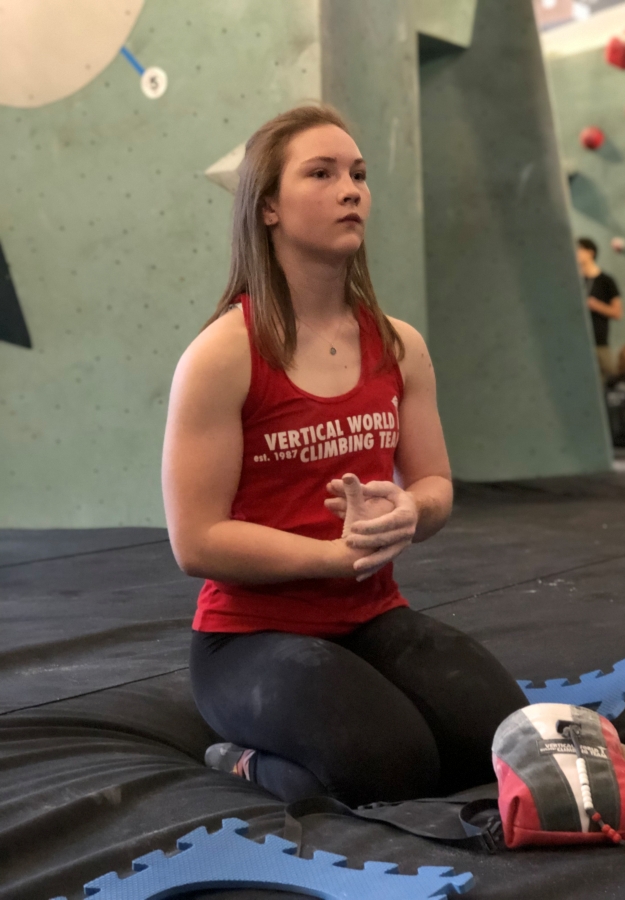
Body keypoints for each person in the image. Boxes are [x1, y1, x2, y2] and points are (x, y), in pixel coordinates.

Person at [162, 104, 525, 808]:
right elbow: (196, 541)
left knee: (500, 744)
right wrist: (330, 558)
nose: (351, 189)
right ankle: (241, 760)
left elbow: (434, 485)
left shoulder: (397, 345)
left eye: (357, 173)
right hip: (248, 638)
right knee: (389, 767)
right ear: (267, 207)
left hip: (368, 615)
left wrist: (410, 510)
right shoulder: (222, 354)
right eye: (321, 173)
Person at [576, 237, 623, 381]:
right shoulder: (574, 281)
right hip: (579, 344)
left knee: (610, 381)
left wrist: (596, 305)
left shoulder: (606, 281)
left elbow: (617, 312)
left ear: (590, 253)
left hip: (600, 343)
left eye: (578, 249)